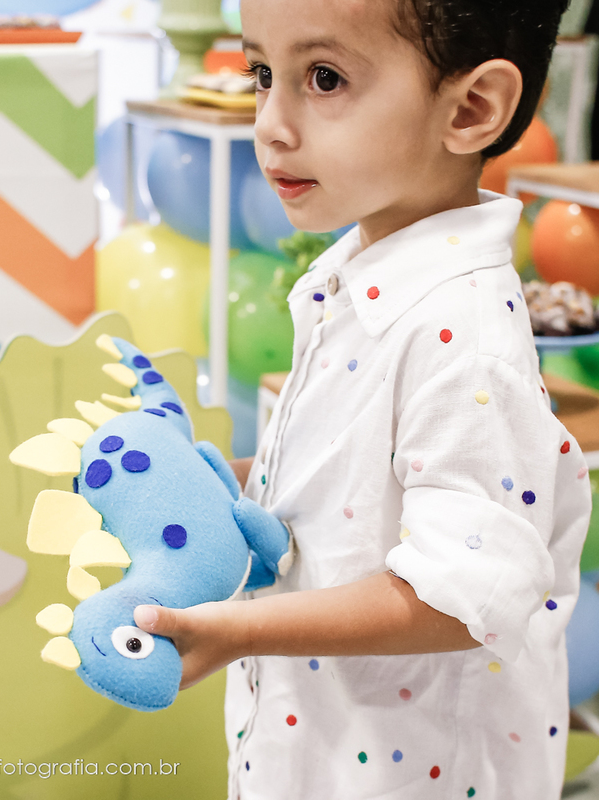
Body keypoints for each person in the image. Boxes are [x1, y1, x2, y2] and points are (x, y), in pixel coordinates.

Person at [130, 1, 590, 797]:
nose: (270, 125)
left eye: (324, 78)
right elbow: (355, 480)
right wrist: (213, 481)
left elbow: (458, 595)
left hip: (407, 771)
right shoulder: (361, 275)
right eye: (262, 73)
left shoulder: (464, 337)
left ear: (471, 109)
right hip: (313, 747)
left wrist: (239, 630)